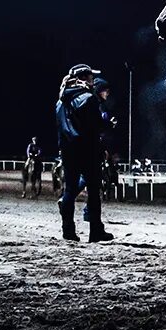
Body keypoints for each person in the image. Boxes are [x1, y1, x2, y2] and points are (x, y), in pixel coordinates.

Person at [55, 64, 114, 242]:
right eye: (90, 76)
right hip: (87, 150)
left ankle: (68, 232)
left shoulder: (61, 100)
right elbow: (95, 126)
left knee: (70, 190)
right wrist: (108, 125)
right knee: (94, 191)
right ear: (84, 78)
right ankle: (95, 231)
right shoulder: (89, 98)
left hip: (67, 150)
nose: (92, 80)